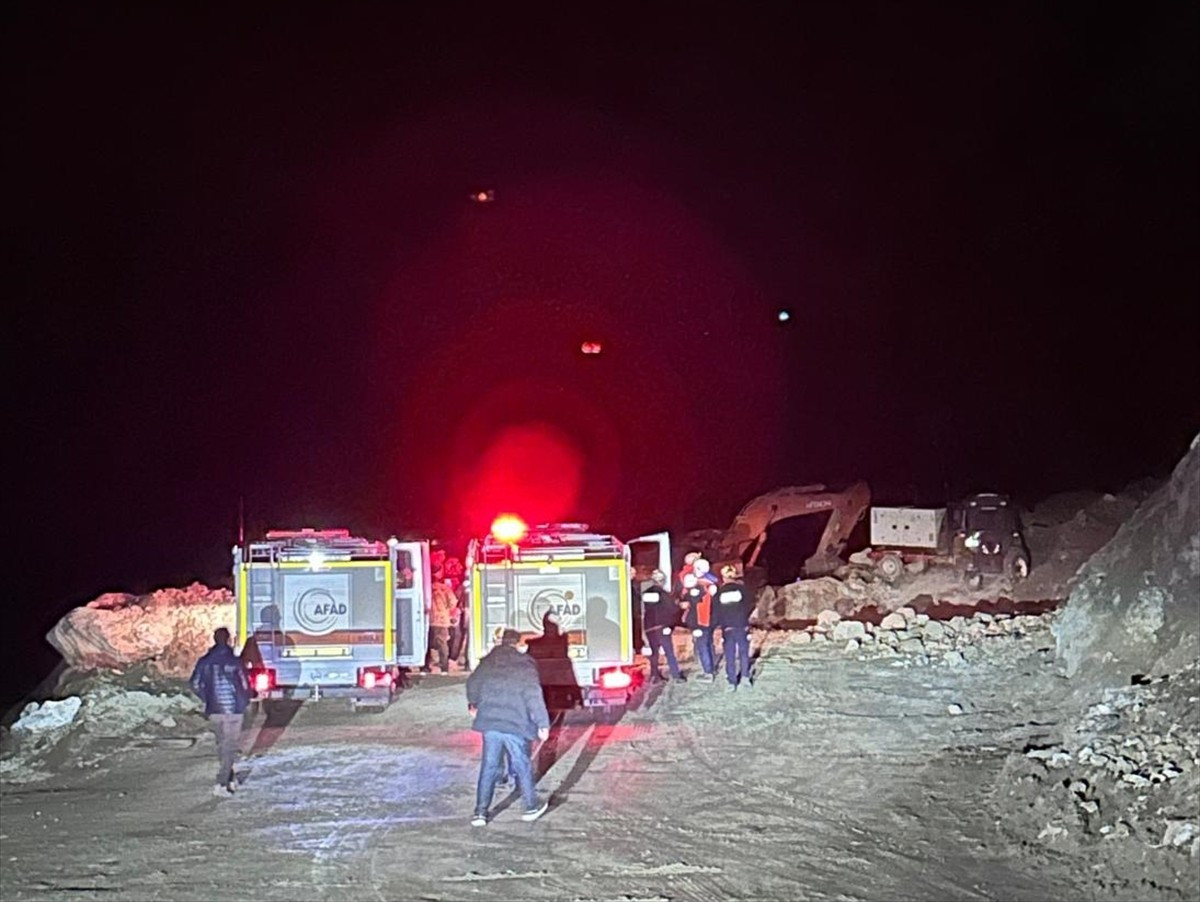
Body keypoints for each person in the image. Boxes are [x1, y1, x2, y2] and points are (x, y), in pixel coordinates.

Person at [465, 628, 551, 826]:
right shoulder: (525, 664)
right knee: (522, 764)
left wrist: (473, 703)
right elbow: (533, 695)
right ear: (519, 644)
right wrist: (542, 723)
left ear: (501, 641)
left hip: (491, 722)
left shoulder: (487, 662)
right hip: (515, 722)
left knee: (489, 766)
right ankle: (530, 807)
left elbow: (472, 683)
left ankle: (480, 812)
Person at [189, 627, 251, 797]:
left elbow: (194, 684)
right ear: (229, 640)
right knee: (229, 746)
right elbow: (246, 685)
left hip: (214, 709)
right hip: (234, 709)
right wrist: (244, 700)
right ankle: (222, 782)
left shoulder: (204, 661)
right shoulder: (235, 661)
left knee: (222, 744)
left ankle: (229, 778)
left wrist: (207, 698)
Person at [713, 564, 755, 691]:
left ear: (723, 578)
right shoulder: (742, 590)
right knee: (743, 652)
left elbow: (716, 611)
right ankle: (745, 678)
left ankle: (731, 681)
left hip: (727, 628)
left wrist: (719, 624)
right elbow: (750, 604)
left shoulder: (719, 593)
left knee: (729, 654)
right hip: (741, 625)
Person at [642, 569, 685, 683]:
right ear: (662, 581)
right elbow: (672, 609)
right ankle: (676, 675)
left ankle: (654, 675)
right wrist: (678, 605)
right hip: (662, 626)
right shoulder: (663, 594)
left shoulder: (646, 593)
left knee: (654, 652)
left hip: (649, 627)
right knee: (668, 651)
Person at [680, 560, 718, 680]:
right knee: (708, 644)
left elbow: (691, 603)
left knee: (703, 646)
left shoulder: (698, 588)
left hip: (701, 621)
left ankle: (708, 672)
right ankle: (711, 668)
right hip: (709, 620)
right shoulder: (712, 584)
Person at [426, 567, 455, 673]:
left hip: (428, 620)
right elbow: (452, 603)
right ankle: (444, 667)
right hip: (442, 620)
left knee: (426, 644)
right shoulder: (445, 588)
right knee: (442, 645)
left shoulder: (426, 587)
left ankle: (425, 666)